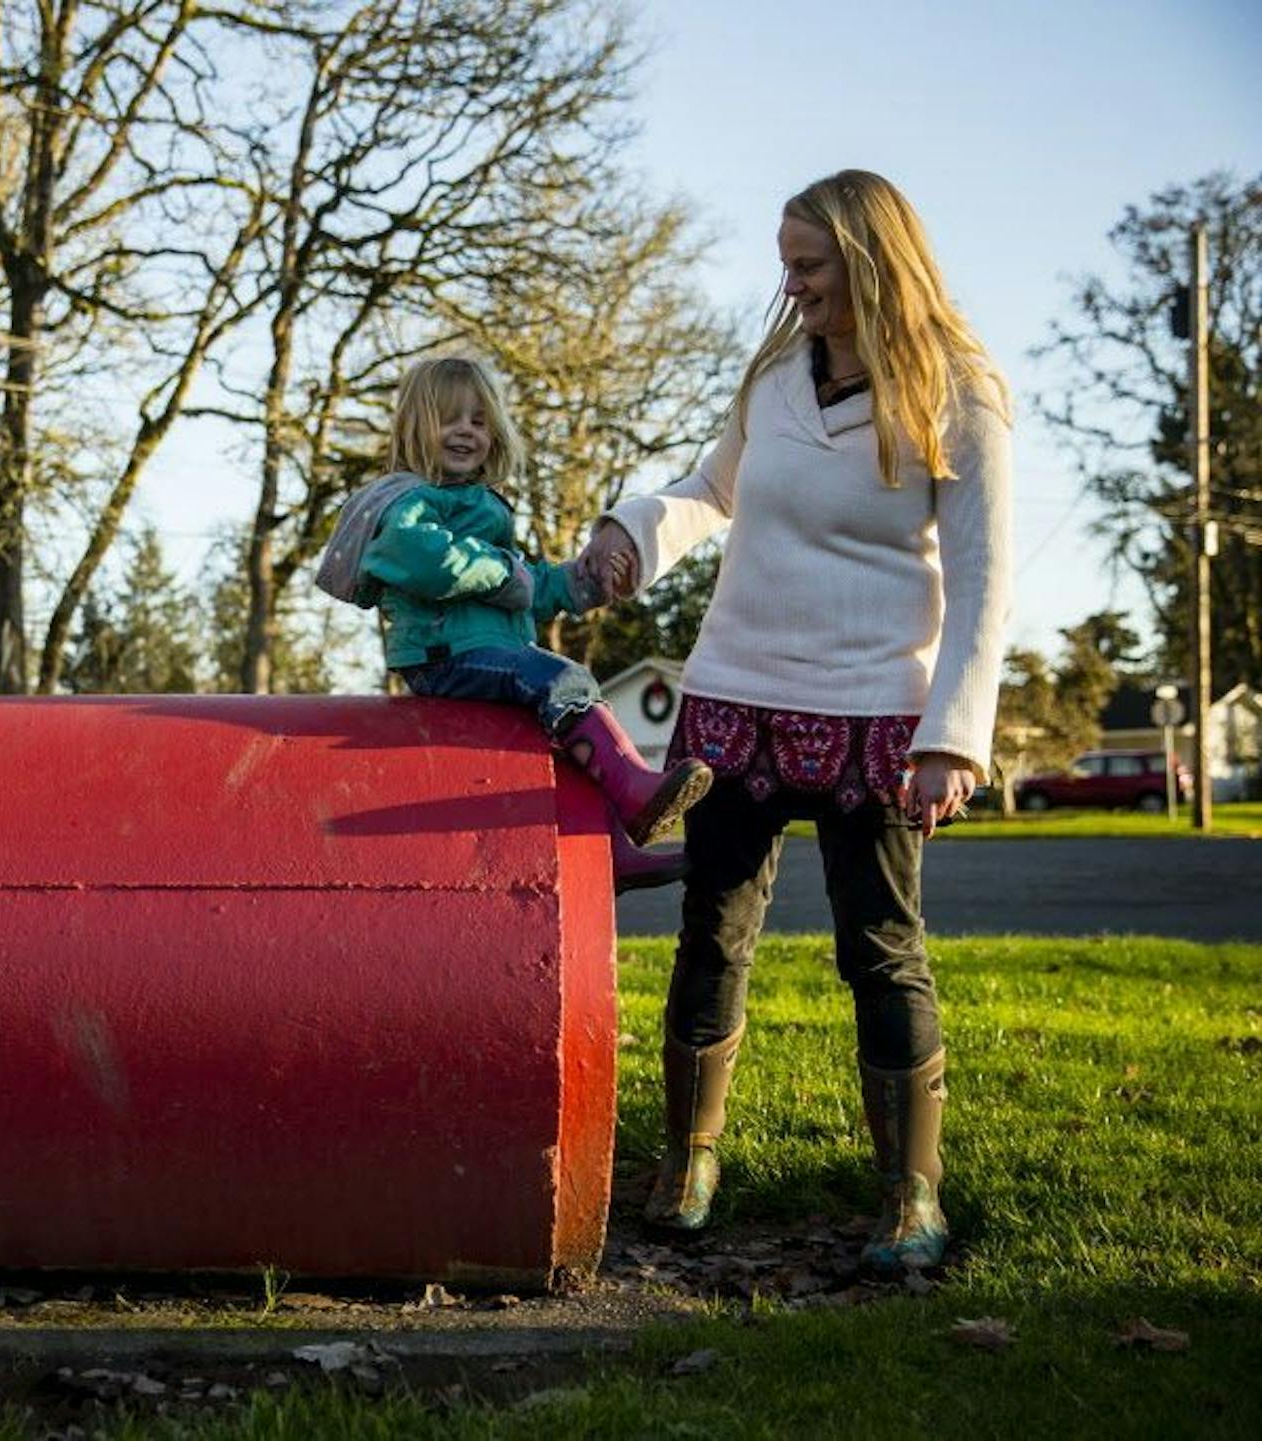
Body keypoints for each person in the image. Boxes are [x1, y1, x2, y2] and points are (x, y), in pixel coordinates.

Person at [576, 170, 1011, 1274]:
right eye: (788, 260)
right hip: (735, 703)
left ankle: (913, 1194)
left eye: (810, 263)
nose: (792, 283)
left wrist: (952, 735)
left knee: (881, 949)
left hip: (875, 715)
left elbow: (983, 574)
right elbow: (706, 489)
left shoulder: (958, 390)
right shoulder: (774, 377)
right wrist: (632, 533)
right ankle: (689, 1161)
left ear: (871, 262)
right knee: (712, 932)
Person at [317, 355, 713, 891]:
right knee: (562, 682)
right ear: (416, 428)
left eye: (478, 421)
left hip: (484, 648)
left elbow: (529, 586)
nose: (465, 432)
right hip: (444, 655)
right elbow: (423, 559)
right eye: (449, 419)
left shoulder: (481, 506)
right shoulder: (407, 500)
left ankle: (609, 849)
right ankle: (637, 795)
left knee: (567, 732)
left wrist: (585, 581)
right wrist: (506, 572)